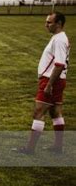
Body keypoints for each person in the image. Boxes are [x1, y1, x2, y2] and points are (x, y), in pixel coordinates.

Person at [15, 12, 70, 155]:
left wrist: (49, 84)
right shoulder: (59, 38)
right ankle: (58, 147)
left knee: (38, 112)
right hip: (58, 79)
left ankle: (30, 149)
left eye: (49, 22)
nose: (46, 25)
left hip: (52, 80)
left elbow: (59, 64)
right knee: (55, 112)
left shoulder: (59, 40)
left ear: (58, 24)